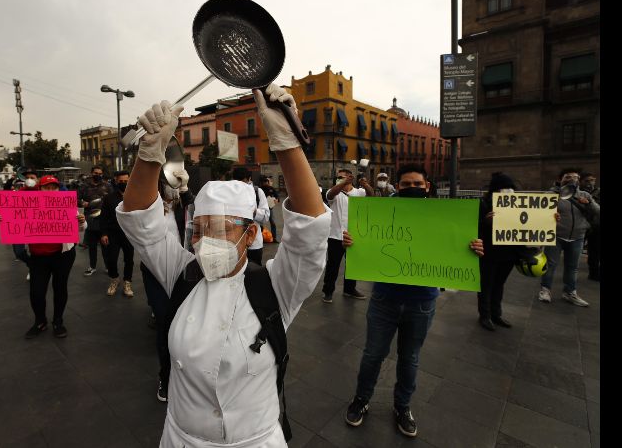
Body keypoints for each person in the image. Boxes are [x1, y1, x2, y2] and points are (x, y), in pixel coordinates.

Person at [117, 85, 330, 448]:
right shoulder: (182, 275)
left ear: (250, 236)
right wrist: (149, 153)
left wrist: (286, 144)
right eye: (199, 230)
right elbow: (141, 222)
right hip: (183, 440)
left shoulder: (276, 288)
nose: (205, 240)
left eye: (220, 229)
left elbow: (308, 233)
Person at [344, 163, 485, 437]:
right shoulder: (381, 212)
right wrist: (352, 241)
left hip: (422, 302)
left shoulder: (444, 216)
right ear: (398, 186)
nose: (412, 188)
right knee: (373, 355)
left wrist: (475, 248)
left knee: (410, 358)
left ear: (427, 187)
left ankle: (403, 406)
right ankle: (361, 400)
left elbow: (459, 245)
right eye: (406, 184)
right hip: (384, 299)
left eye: (417, 185)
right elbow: (365, 242)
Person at [0, 175, 85, 338]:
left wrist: (81, 221)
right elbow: (12, 218)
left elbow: (80, 229)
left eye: (54, 187)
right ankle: (40, 321)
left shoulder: (65, 204)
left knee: (60, 288)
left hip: (63, 255)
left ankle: (58, 321)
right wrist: (2, 219)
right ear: (40, 189)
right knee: (36, 291)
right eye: (46, 187)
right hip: (38, 256)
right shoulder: (29, 205)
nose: (51, 190)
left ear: (59, 189)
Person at [140, 169, 194, 402]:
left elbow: (199, 211)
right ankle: (166, 375)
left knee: (186, 322)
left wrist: (186, 191)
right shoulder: (149, 209)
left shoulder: (184, 206)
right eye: (169, 182)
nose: (172, 186)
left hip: (186, 270)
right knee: (165, 322)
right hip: (155, 271)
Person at [538, 169, 599, 306]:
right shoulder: (550, 195)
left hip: (577, 237)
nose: (572, 179)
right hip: (555, 236)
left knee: (572, 267)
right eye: (568, 177)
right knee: (550, 264)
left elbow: (597, 211)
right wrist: (551, 216)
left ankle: (570, 292)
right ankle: (545, 290)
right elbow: (539, 213)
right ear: (560, 179)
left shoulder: (585, 195)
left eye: (575, 177)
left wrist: (588, 204)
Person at [476, 172, 519, 331]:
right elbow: (474, 228)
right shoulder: (483, 204)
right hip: (489, 252)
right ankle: (485, 315)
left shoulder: (518, 204)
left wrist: (549, 219)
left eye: (510, 188)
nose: (508, 192)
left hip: (509, 253)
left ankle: (496, 314)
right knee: (486, 285)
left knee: (499, 284)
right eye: (504, 188)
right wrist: (486, 222)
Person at [321, 169, 368, 302]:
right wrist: (342, 183)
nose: (339, 179)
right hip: (335, 236)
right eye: (338, 177)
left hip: (353, 236)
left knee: (352, 265)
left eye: (342, 177)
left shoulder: (358, 192)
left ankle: (349, 289)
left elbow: (371, 196)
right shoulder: (334, 192)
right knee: (333, 265)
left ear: (349, 178)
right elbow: (329, 195)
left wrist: (365, 184)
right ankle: (328, 291)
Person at [100, 170, 135, 297]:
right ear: (116, 181)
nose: (124, 183)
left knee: (129, 259)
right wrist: (104, 233)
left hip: (129, 234)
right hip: (112, 233)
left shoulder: (134, 196)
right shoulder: (109, 198)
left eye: (126, 181)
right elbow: (103, 217)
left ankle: (127, 282)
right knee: (111, 259)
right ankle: (114, 279)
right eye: (121, 181)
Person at [79, 165, 112, 276]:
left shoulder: (107, 186)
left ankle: (108, 267)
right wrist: (82, 203)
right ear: (91, 173)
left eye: (99, 173)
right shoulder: (84, 186)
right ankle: (92, 267)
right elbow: (76, 199)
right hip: (90, 219)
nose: (97, 175)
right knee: (92, 246)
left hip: (104, 219)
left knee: (105, 246)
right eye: (95, 173)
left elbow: (112, 199)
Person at [233, 167, 270, 265]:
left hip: (254, 244)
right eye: (237, 183)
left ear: (249, 179)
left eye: (243, 183)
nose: (240, 186)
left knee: (254, 272)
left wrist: (254, 212)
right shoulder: (231, 192)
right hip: (235, 244)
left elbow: (266, 216)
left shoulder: (258, 192)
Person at [579, 172, 600, 281]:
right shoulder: (576, 192)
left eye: (592, 180)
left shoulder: (598, 192)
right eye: (586, 181)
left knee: (594, 250)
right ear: (581, 181)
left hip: (594, 226)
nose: (589, 183)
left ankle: (594, 273)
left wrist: (589, 202)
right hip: (580, 225)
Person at [260, 176, 281, 241]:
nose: (266, 183)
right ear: (262, 183)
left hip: (270, 208)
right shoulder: (260, 189)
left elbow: (277, 196)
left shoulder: (271, 189)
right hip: (261, 209)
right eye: (265, 182)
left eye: (267, 182)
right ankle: (261, 237)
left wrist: (277, 199)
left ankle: (274, 238)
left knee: (273, 222)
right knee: (260, 223)